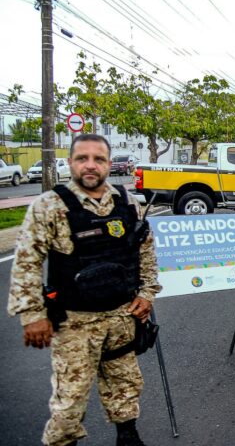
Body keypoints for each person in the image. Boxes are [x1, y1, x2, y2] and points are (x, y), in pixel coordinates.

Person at [7, 134, 161, 446]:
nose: (90, 165)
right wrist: (32, 316)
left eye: (98, 159)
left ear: (108, 164)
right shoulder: (50, 206)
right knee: (69, 401)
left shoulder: (126, 202)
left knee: (126, 387)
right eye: (82, 158)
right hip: (75, 323)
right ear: (71, 162)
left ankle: (128, 437)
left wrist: (147, 293)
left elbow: (144, 250)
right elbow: (27, 262)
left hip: (121, 318)